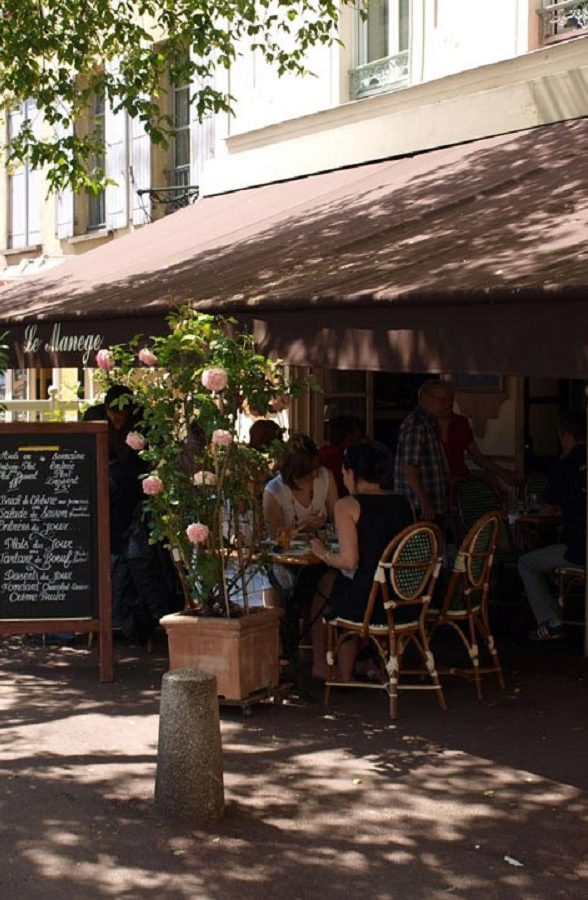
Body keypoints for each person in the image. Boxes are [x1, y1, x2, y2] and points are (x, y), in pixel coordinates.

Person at [309, 442, 413, 681]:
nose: (344, 478)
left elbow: (348, 560)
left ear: (352, 473)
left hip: (369, 602)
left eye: (344, 473)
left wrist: (322, 552)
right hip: (406, 598)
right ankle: (359, 662)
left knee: (324, 588)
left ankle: (325, 666)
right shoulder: (403, 503)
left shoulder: (347, 505)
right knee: (333, 583)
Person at [518, 412, 586, 641]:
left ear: (565, 436)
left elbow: (548, 509)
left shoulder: (566, 465)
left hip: (579, 550)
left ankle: (551, 622)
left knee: (526, 562)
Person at [434, 381, 518, 489]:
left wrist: (502, 472)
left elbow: (477, 456)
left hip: (462, 480)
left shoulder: (461, 422)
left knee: (491, 485)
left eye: (451, 398)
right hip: (435, 483)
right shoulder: (424, 425)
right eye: (443, 400)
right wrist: (445, 478)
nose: (448, 403)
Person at [393, 380, 449, 523]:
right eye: (441, 400)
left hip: (432, 504)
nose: (446, 404)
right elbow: (410, 467)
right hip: (418, 507)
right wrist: (424, 501)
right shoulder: (416, 424)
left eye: (448, 400)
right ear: (425, 398)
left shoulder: (430, 423)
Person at [263, 433, 337, 538]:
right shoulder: (274, 490)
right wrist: (304, 526)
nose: (315, 475)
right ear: (295, 472)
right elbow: (274, 537)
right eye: (308, 472)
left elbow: (337, 520)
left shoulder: (325, 477)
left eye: (316, 468)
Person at [318, 414, 365, 496]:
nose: (360, 439)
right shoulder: (348, 458)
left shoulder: (320, 453)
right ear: (348, 436)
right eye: (357, 434)